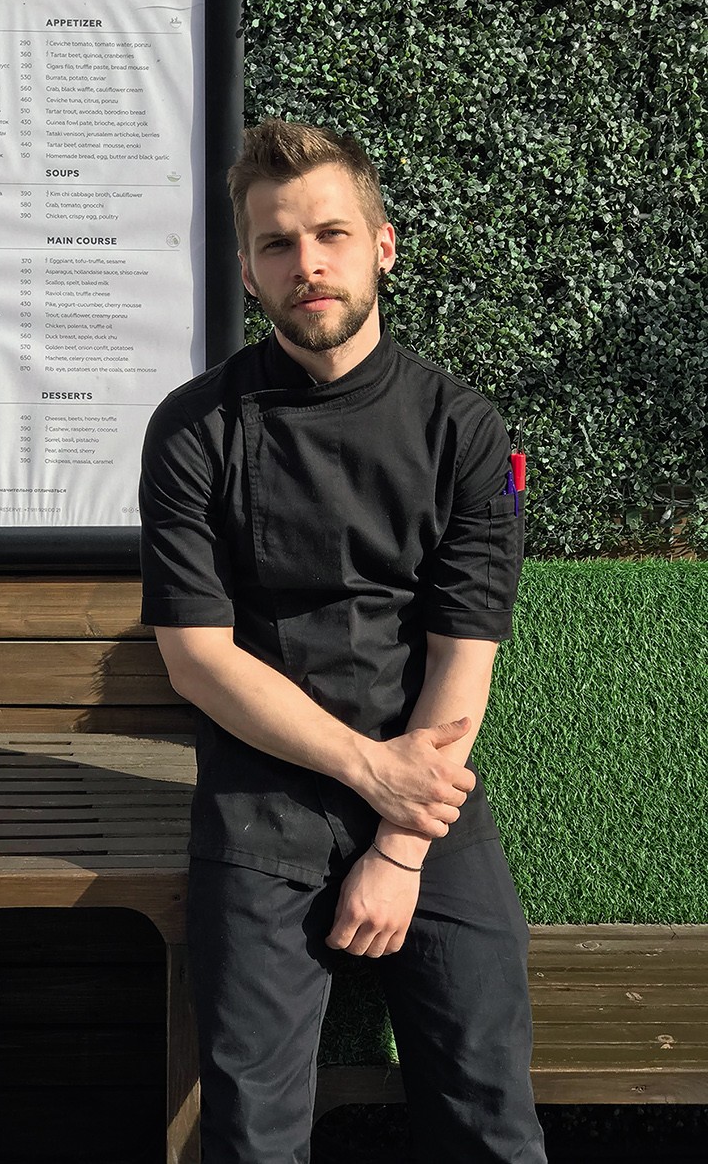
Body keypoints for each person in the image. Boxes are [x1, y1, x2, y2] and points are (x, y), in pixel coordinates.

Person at [139, 119, 546, 1163]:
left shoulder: (463, 429)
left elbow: (463, 652)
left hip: (429, 794)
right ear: (247, 271)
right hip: (261, 802)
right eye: (277, 243)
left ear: (382, 246)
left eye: (331, 234)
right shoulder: (195, 430)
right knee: (253, 1132)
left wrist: (401, 841)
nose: (307, 264)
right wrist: (374, 772)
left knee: (489, 1114)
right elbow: (197, 657)